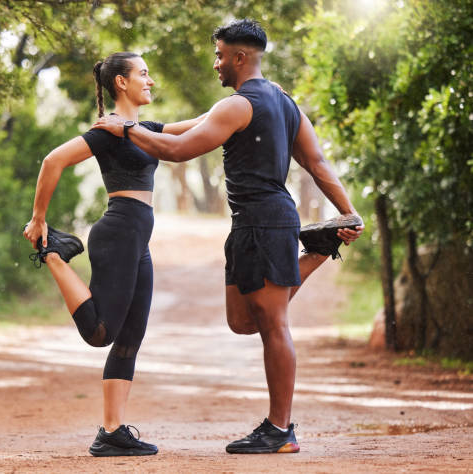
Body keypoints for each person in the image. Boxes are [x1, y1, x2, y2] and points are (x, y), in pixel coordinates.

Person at [92, 19, 364, 454]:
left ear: (240, 57)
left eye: (220, 55)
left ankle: (280, 429)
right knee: (241, 321)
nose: (215, 64)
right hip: (248, 225)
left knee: (274, 323)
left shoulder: (239, 105)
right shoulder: (282, 101)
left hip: (267, 221)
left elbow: (179, 151)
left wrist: (126, 130)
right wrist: (346, 212)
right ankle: (317, 249)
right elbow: (318, 163)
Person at [22, 52, 204, 457]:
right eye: (143, 74)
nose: (151, 80)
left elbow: (198, 126)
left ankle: (112, 431)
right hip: (119, 232)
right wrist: (39, 220)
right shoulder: (107, 131)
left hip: (137, 240)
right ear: (121, 83)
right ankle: (53, 255)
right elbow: (54, 160)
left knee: (130, 338)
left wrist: (246, 100)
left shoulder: (143, 129)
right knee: (100, 333)